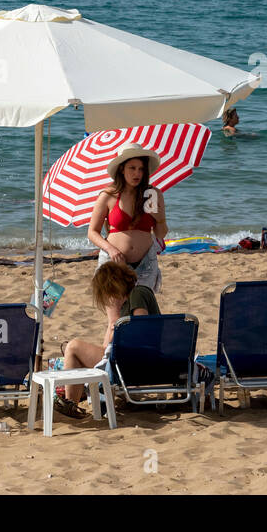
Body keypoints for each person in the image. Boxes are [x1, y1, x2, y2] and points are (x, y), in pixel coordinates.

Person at [57, 261, 159, 416]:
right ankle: (71, 405)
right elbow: (109, 345)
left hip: (138, 363)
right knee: (76, 354)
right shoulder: (129, 301)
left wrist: (115, 323)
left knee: (73, 347)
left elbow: (140, 331)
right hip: (139, 362)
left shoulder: (138, 293)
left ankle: (71, 405)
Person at [88, 143, 168, 292]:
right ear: (121, 168)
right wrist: (111, 250)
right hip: (113, 262)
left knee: (141, 311)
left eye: (141, 169)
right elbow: (92, 232)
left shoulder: (153, 194)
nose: (137, 173)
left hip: (146, 263)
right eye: (132, 168)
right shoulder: (108, 195)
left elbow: (160, 234)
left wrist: (159, 218)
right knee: (116, 313)